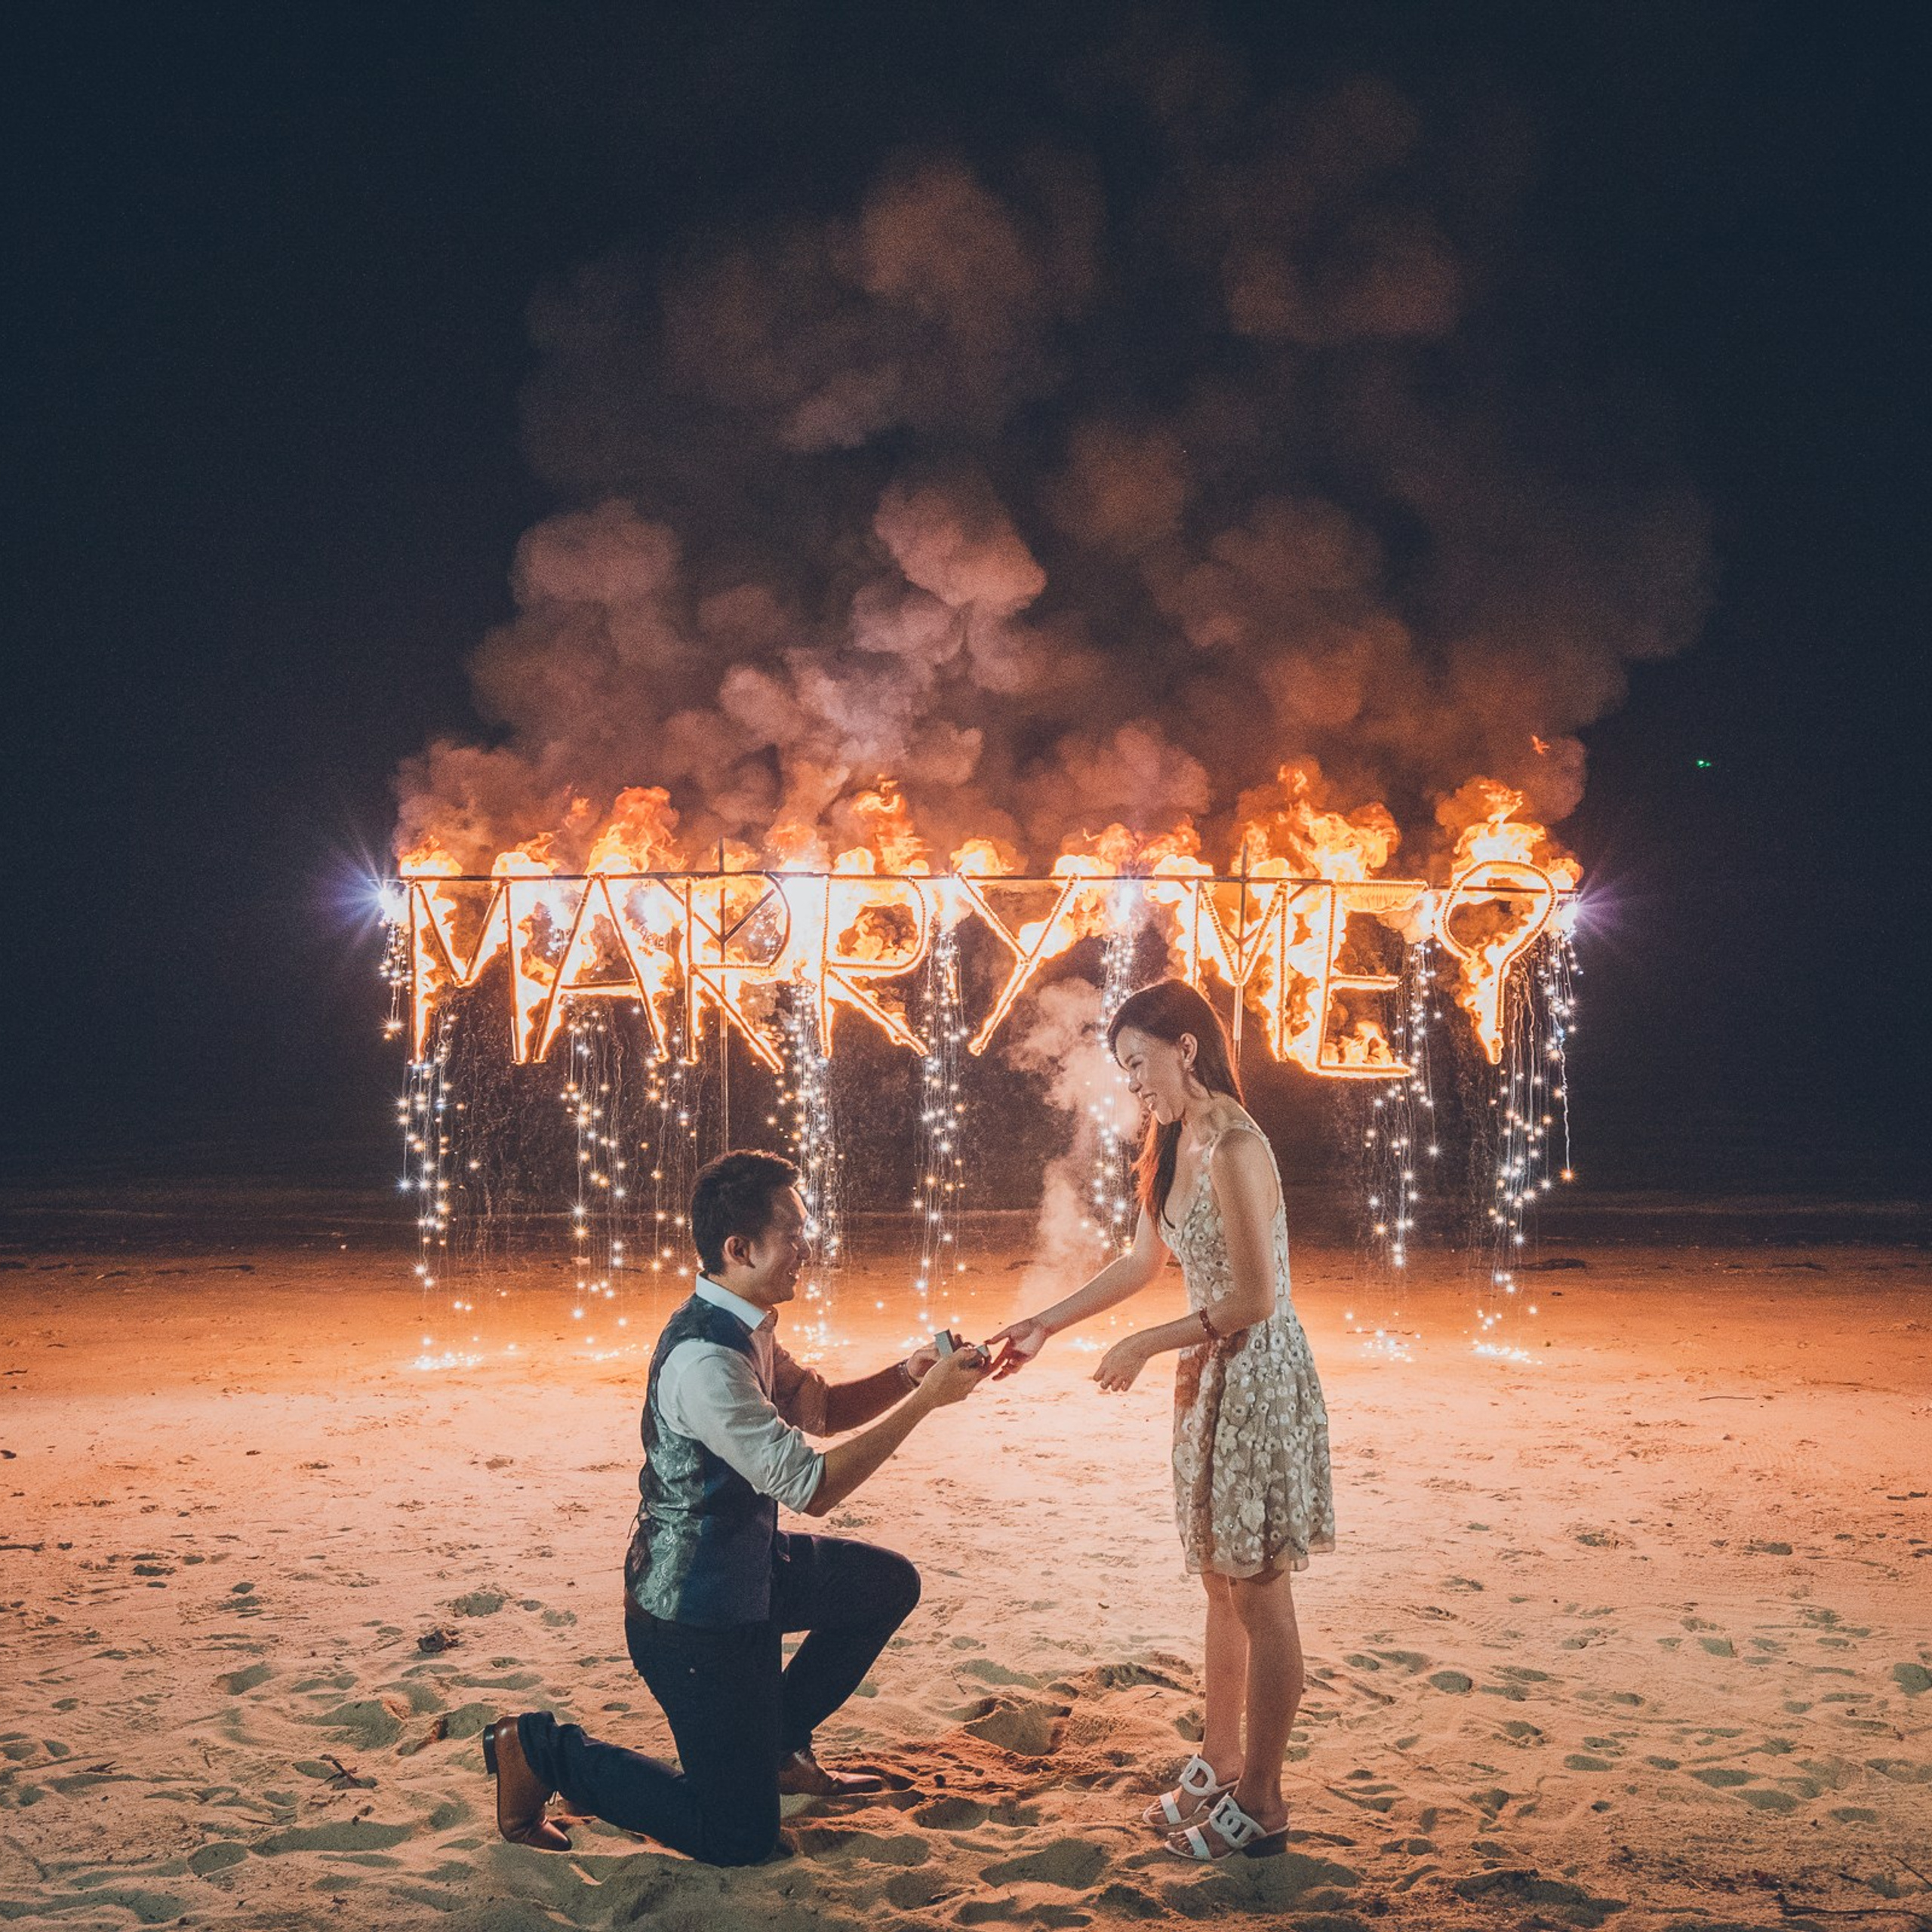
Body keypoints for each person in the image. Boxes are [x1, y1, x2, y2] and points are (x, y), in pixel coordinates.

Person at [485, 1148, 989, 1866]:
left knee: (887, 1585)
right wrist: (930, 1404)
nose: (809, 1246)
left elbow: (818, 1407)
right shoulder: (706, 1361)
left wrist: (909, 1375)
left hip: (750, 1571)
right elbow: (811, 1487)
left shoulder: (747, 1319)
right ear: (739, 1248)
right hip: (695, 1619)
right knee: (741, 1839)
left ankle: (775, 1746)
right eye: (795, 1232)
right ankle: (539, 1752)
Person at [988, 979, 1334, 1862]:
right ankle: (1221, 1759)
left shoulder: (1234, 1146)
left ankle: (1263, 1799)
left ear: (1186, 1046)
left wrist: (1145, 1344)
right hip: (1210, 1373)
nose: (1132, 1083)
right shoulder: (1172, 1139)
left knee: (1259, 1587)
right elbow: (1143, 1260)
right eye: (1122, 1068)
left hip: (1254, 1376)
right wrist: (1043, 1324)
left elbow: (1254, 1297)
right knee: (1221, 1580)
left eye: (1138, 1062)